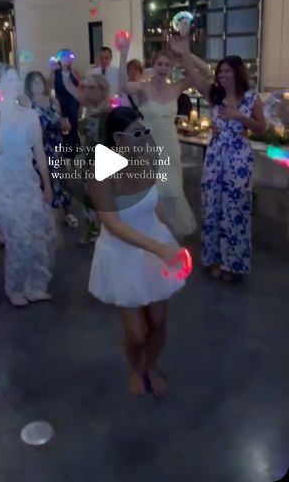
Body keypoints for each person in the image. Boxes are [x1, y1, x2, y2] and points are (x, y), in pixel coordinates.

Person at [88, 107, 188, 397]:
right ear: (118, 137)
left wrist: (172, 237)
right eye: (138, 134)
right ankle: (135, 367)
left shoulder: (149, 158)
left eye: (146, 132)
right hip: (122, 251)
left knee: (158, 321)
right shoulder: (101, 168)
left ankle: (150, 365)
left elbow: (153, 203)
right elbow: (112, 223)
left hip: (154, 242)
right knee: (136, 332)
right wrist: (158, 248)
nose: (146, 138)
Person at [169, 36, 266, 281]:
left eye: (226, 71)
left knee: (235, 209)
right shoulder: (214, 95)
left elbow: (261, 128)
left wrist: (239, 117)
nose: (221, 75)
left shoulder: (252, 98)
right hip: (215, 156)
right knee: (213, 207)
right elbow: (193, 75)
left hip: (238, 157)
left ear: (237, 72)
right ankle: (215, 258)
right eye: (220, 71)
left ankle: (233, 264)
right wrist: (186, 52)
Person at [0, 64, 55, 307]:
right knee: (18, 237)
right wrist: (2, 110)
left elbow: (39, 152)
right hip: (3, 184)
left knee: (38, 235)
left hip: (27, 180)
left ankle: (35, 285)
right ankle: (15, 287)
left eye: (17, 79)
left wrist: (47, 184)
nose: (14, 83)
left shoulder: (30, 113)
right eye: (9, 80)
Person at [119, 44, 208, 237]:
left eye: (167, 65)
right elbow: (122, 85)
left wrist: (186, 52)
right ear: (153, 66)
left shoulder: (176, 88)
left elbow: (205, 71)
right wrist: (124, 52)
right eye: (160, 64)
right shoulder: (143, 88)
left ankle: (169, 237)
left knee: (172, 190)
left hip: (169, 148)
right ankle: (150, 235)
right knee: (151, 192)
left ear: (171, 68)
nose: (163, 68)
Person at [23, 71, 78, 228]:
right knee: (41, 180)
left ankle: (67, 213)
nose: (37, 85)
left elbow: (62, 122)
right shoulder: (28, 105)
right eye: (33, 83)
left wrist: (65, 126)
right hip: (38, 147)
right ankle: (42, 217)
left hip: (55, 146)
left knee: (60, 178)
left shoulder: (53, 101)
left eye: (40, 81)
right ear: (29, 86)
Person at [62, 73, 111, 244]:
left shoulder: (108, 111)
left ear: (102, 90)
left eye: (92, 87)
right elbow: (69, 87)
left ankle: (108, 232)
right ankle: (92, 230)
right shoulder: (85, 107)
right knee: (88, 198)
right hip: (87, 158)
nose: (87, 91)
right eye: (86, 87)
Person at [51, 53, 81, 158]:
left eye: (68, 58)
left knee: (73, 128)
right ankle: (65, 156)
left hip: (73, 105)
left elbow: (80, 87)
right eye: (64, 58)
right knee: (63, 130)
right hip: (60, 104)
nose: (66, 60)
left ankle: (74, 155)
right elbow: (51, 88)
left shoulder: (74, 72)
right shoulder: (56, 73)